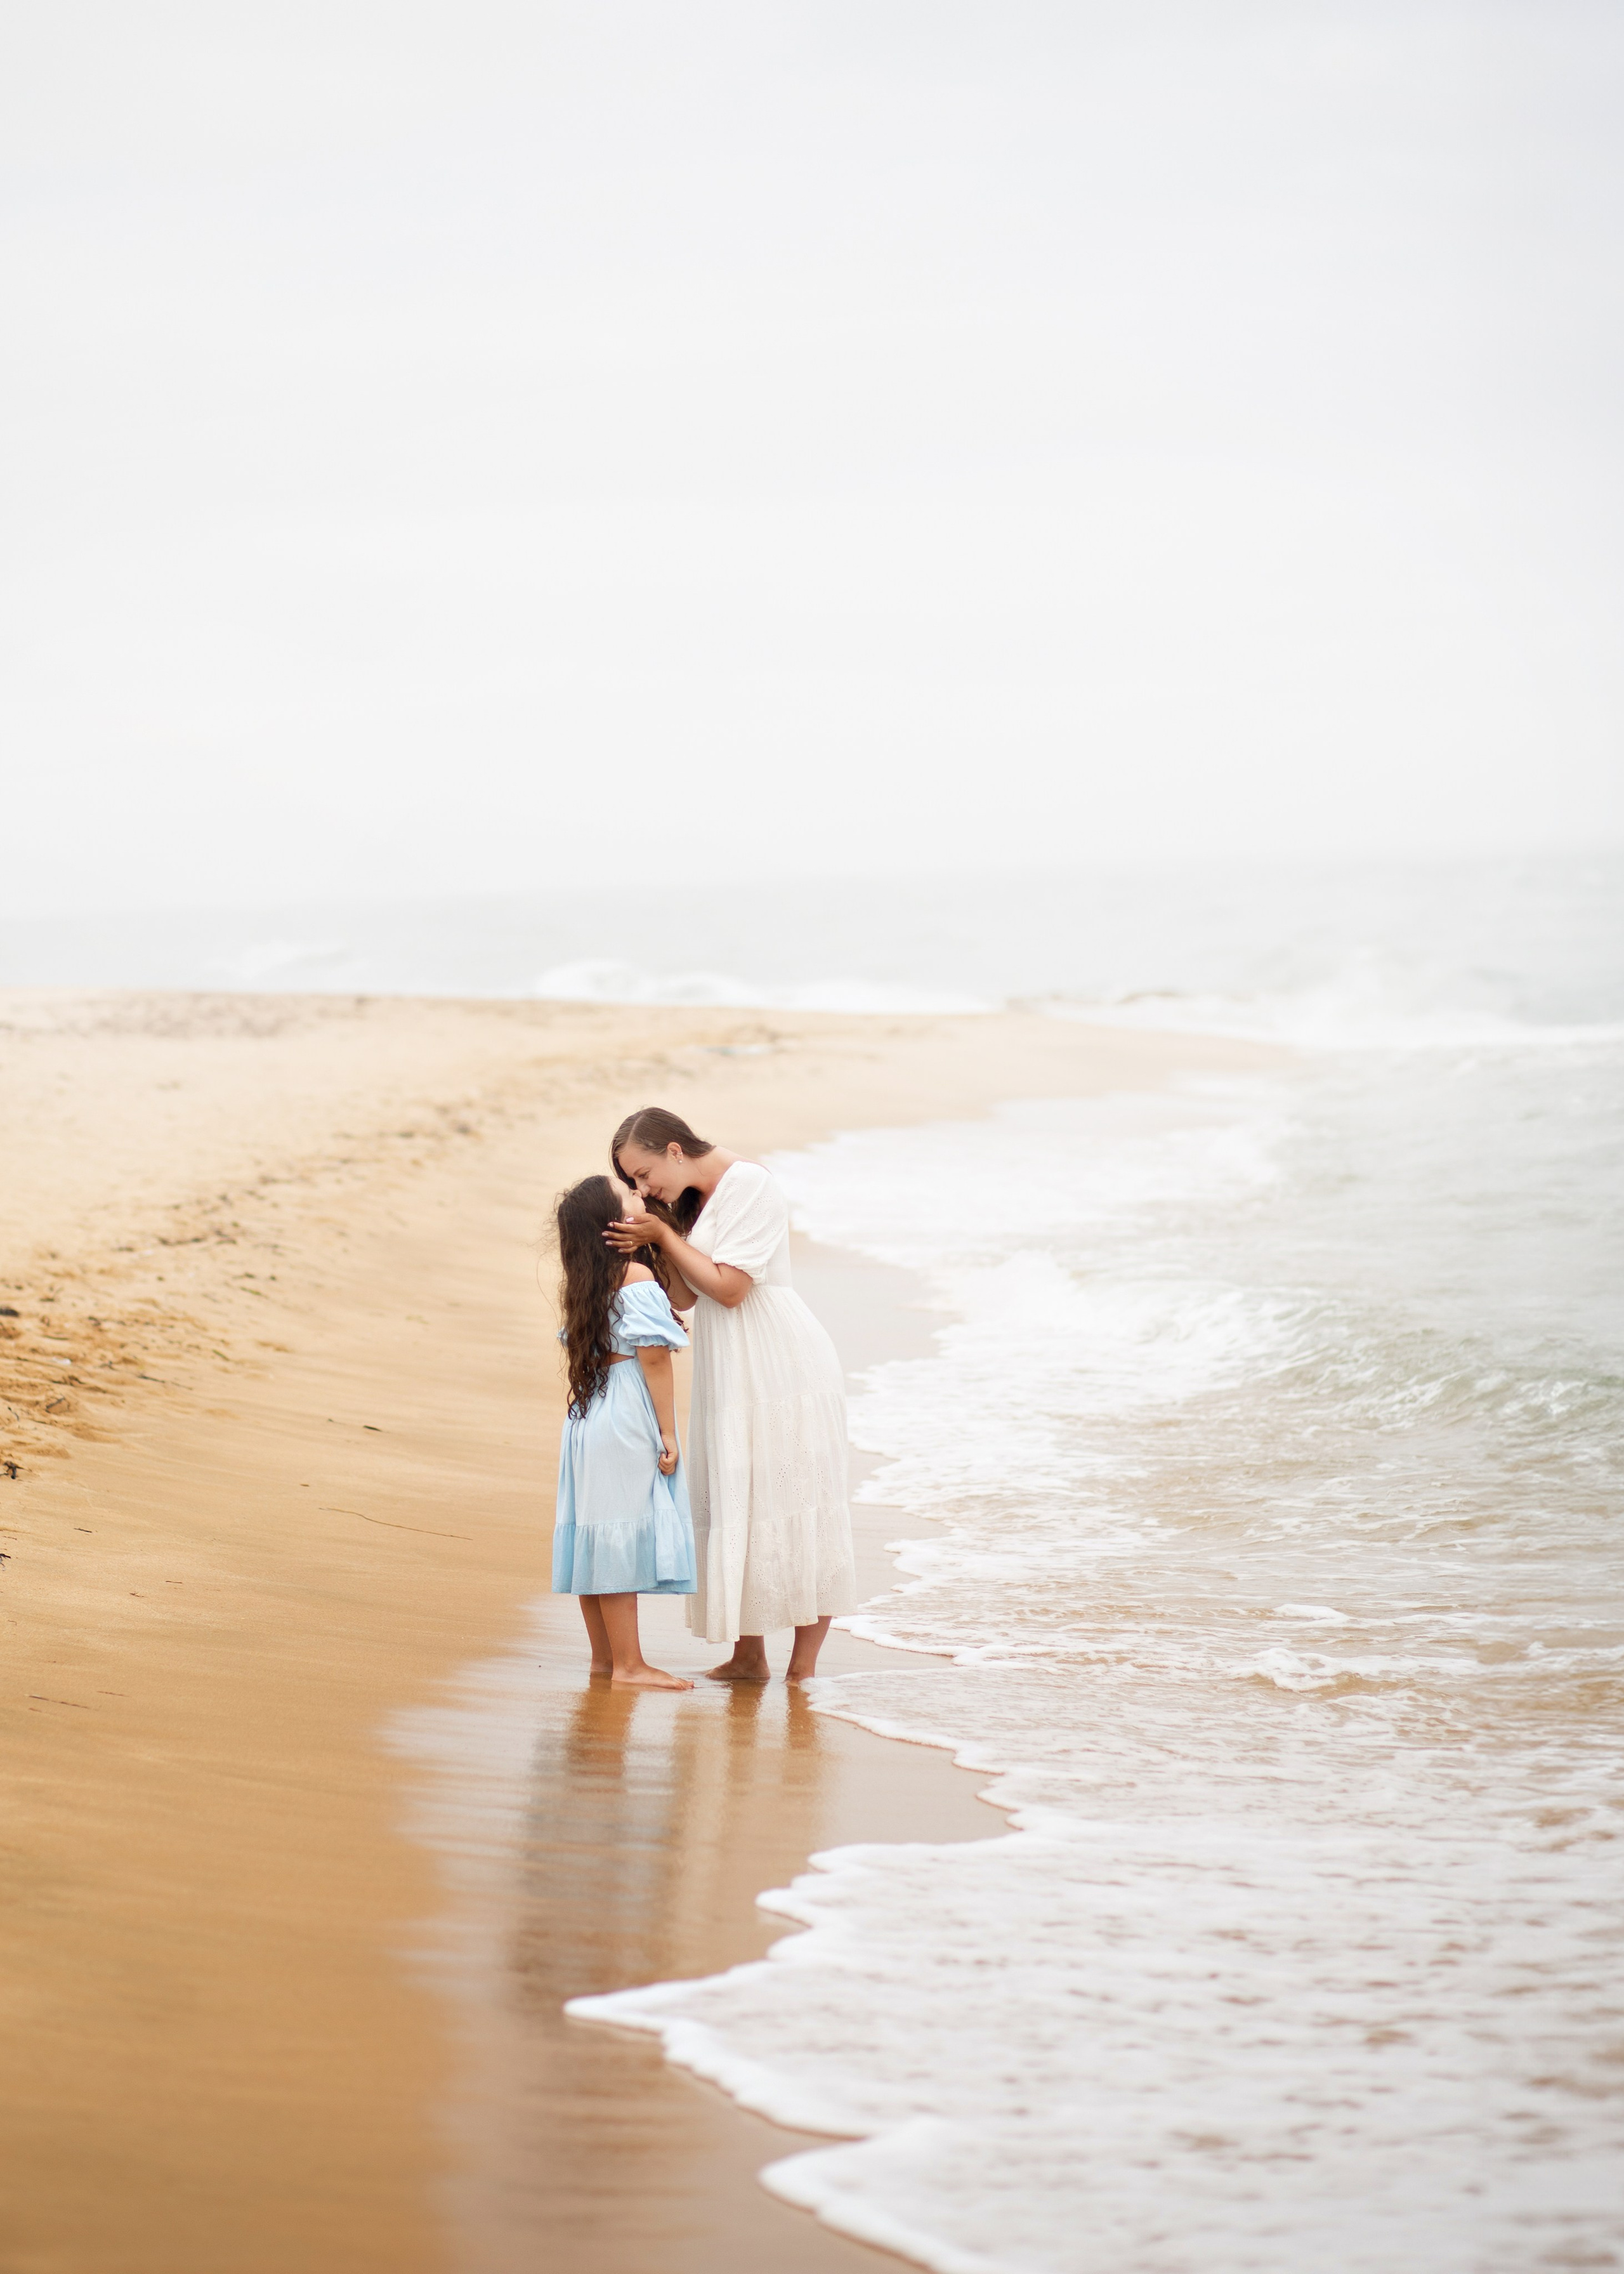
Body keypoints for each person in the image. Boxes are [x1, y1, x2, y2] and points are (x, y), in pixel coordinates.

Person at [606, 1107, 857, 1681]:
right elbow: (690, 1297)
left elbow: (732, 1288)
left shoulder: (750, 1184)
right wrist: (650, 1245)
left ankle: (803, 1669)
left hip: (780, 1364)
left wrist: (665, 1235)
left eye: (644, 1174)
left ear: (673, 1149)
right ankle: (749, 1657)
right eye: (635, 1183)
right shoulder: (691, 1200)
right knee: (740, 1496)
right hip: (731, 1366)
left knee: (796, 1502)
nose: (644, 1188)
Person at [551, 1174, 696, 1691]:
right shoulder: (633, 1275)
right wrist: (669, 1432)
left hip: (590, 1413)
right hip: (626, 1410)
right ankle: (630, 1666)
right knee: (615, 1535)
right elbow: (654, 1358)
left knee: (596, 1533)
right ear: (616, 1225)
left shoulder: (586, 1280)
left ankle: (606, 1660)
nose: (642, 1197)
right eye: (631, 1196)